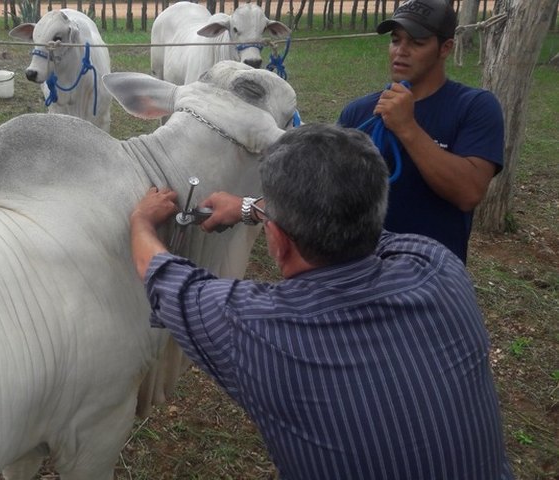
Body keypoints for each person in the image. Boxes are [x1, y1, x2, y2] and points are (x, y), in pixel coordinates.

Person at [130, 123, 513, 480]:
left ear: (277, 241)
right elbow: (353, 224)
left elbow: (162, 274)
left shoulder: (259, 329)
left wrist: (142, 224)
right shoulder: (438, 266)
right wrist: (251, 208)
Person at [338, 0, 504, 264]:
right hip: (358, 270)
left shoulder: (474, 107)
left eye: (417, 42)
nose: (401, 51)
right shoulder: (359, 112)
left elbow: (468, 193)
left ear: (445, 48)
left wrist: (408, 128)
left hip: (430, 278)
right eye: (395, 40)